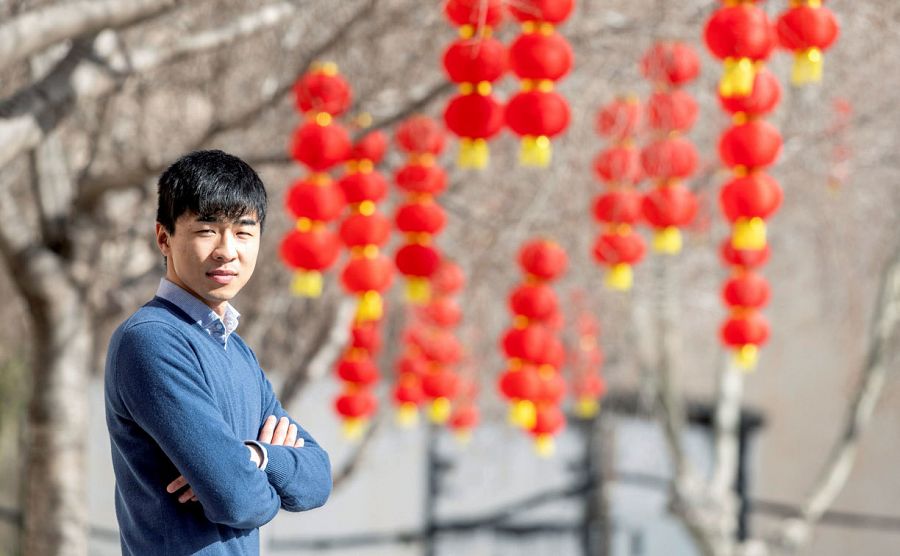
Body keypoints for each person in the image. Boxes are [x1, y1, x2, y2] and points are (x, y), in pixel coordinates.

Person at [104, 150, 331, 555]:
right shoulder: (151, 340)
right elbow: (239, 500)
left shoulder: (236, 350)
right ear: (163, 237)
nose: (228, 250)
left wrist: (254, 456)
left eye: (244, 231)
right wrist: (244, 474)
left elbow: (318, 479)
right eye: (207, 230)